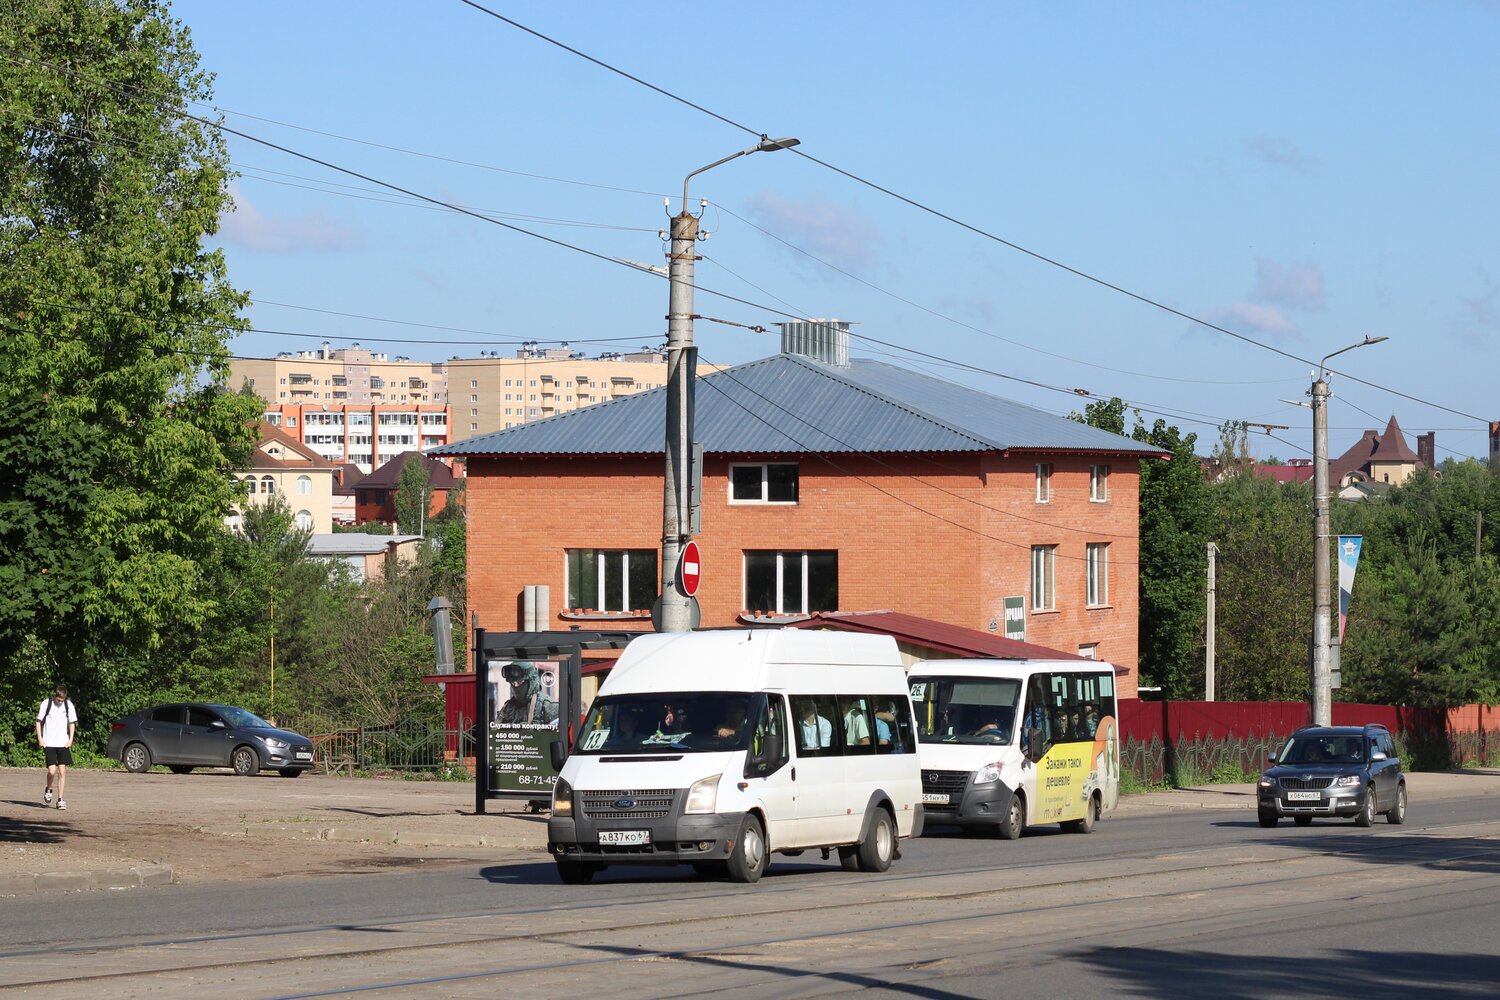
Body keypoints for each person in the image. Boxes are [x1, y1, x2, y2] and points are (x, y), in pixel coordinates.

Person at [35, 685, 77, 811]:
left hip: (63, 743)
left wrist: (70, 739)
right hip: (49, 742)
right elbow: (38, 721)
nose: (60, 702)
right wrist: (40, 738)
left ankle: (60, 799)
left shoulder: (68, 705)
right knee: (52, 771)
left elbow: (72, 723)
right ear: (55, 695)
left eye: (62, 700)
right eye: (59, 700)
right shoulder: (46, 704)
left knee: (62, 771)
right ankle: (48, 789)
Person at [497, 661, 559, 725]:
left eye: (520, 682)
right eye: (513, 683)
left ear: (531, 682)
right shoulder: (508, 708)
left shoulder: (548, 707)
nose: (516, 686)